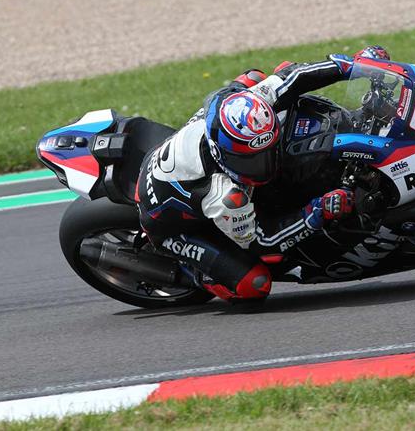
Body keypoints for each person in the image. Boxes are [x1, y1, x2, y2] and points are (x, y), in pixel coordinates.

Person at [136, 46, 390, 304]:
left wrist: (353, 66)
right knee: (254, 284)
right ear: (223, 155)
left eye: (268, 151)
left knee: (256, 77)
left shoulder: (236, 101)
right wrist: (316, 211)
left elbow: (294, 76)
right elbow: (263, 240)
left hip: (178, 157)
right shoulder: (224, 196)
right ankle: (199, 275)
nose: (266, 163)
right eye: (254, 160)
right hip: (165, 223)